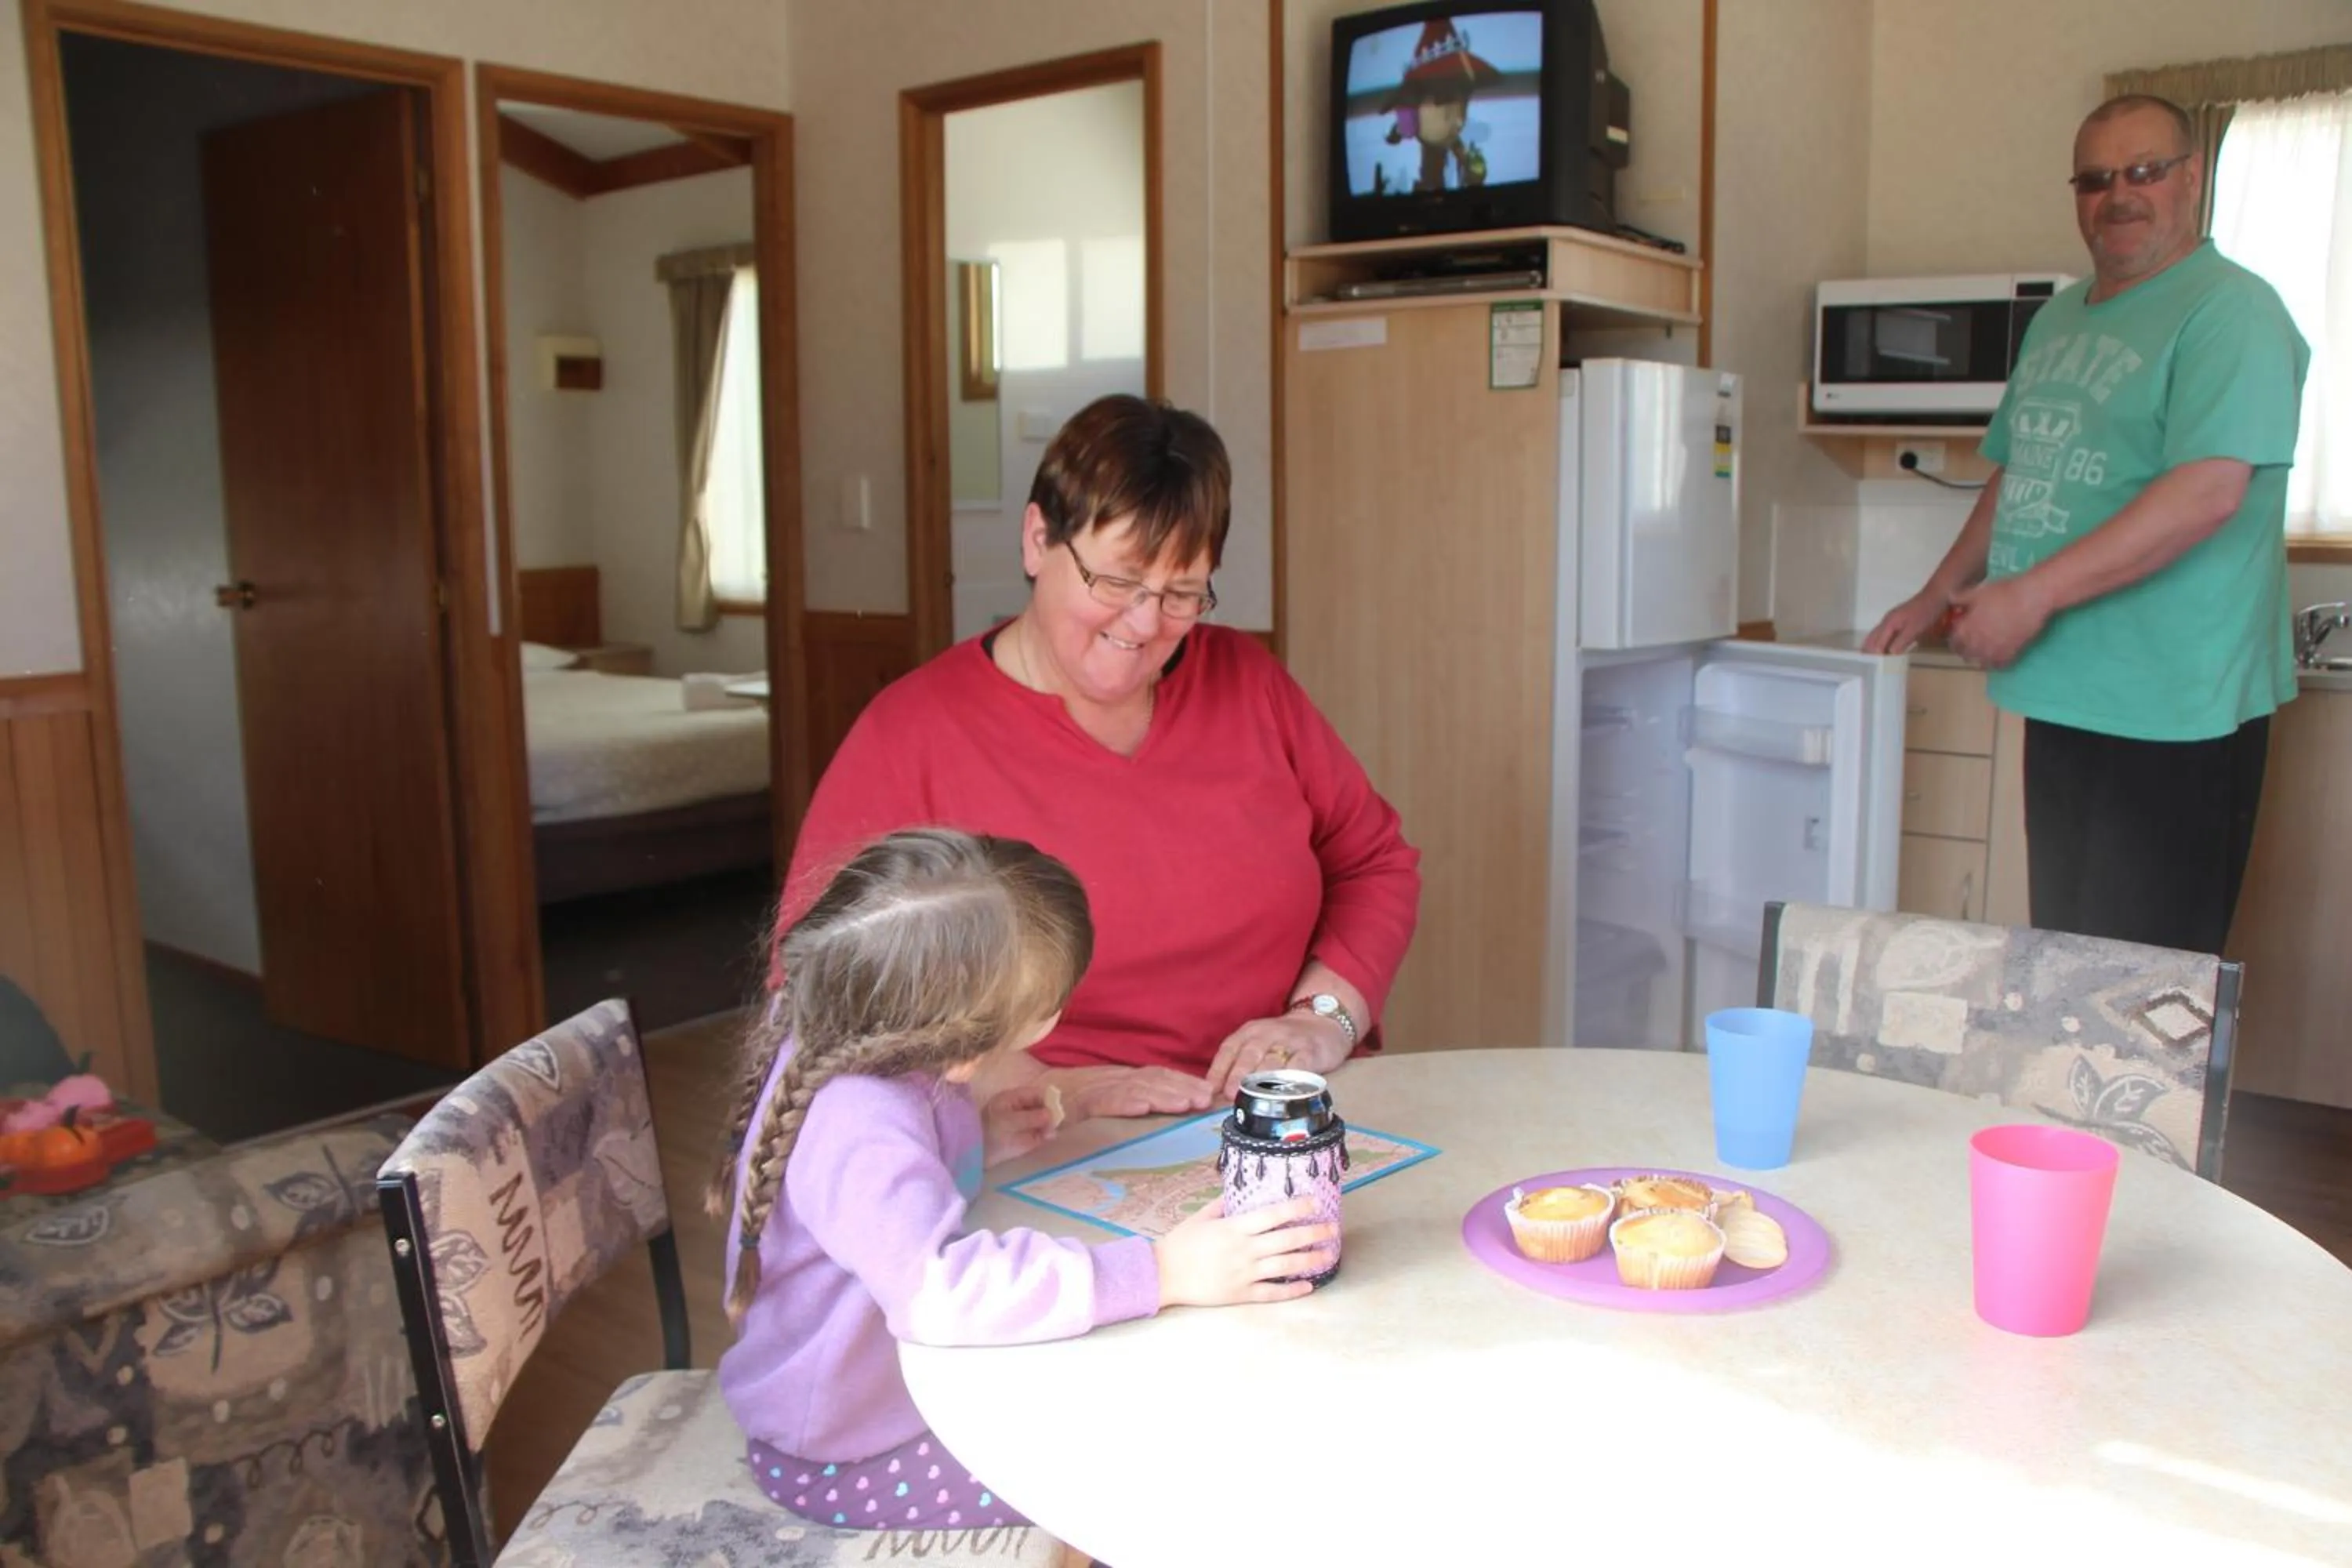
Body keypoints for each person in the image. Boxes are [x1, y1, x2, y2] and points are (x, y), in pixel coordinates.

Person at [775, 394, 1421, 1121]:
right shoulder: (911, 735)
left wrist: (1321, 1020)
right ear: (1037, 539)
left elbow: (1374, 864)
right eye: (1117, 582)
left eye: (1181, 593)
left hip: (1276, 1114)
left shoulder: (1249, 682)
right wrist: (1037, 1086)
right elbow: (819, 988)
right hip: (1047, 1144)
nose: (1145, 623)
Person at [711, 827, 1335, 1531]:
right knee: (1166, 1476)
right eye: (1039, 1016)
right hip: (850, 1449)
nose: (1054, 1022)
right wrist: (1160, 1272)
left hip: (897, 1397)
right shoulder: (861, 1123)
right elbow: (939, 1293)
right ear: (959, 1046)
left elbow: (880, 1216)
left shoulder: (863, 1031)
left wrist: (978, 1145)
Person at [1864, 93, 2307, 954]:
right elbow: (2020, 468)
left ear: (2193, 177)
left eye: (2145, 171)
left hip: (2176, 706)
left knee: (2149, 986)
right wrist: (1936, 593)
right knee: (2067, 962)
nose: (2121, 195)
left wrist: (2027, 595)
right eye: (2098, 178)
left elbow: (2209, 491)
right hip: (2068, 688)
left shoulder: (2232, 310)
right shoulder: (2060, 317)